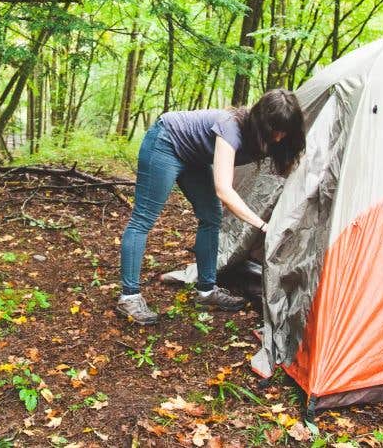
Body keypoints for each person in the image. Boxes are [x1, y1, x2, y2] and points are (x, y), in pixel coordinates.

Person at [116, 89, 306, 325]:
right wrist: (262, 225)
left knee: (211, 217)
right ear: (261, 121)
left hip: (195, 158)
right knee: (143, 218)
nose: (278, 137)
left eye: (284, 131)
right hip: (166, 142)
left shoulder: (276, 140)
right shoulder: (231, 128)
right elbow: (224, 189)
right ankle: (129, 297)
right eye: (274, 130)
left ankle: (206, 291)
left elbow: (291, 172)